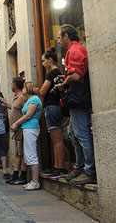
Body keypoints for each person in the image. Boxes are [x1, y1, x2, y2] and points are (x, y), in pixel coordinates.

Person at [56, 25, 96, 185]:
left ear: (66, 36)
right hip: (76, 98)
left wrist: (64, 83)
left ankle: (89, 170)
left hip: (78, 98)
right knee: (73, 134)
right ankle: (80, 167)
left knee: (81, 134)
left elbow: (77, 74)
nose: (59, 41)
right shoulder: (75, 50)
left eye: (59, 38)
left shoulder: (75, 50)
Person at [39, 48, 68, 179]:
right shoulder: (59, 72)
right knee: (56, 139)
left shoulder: (51, 74)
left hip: (52, 106)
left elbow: (42, 92)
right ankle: (57, 166)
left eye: (44, 61)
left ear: (50, 60)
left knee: (57, 139)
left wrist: (36, 90)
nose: (42, 64)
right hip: (55, 107)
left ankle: (60, 167)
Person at [10, 82, 42, 191]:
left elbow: (28, 116)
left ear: (28, 89)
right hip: (27, 128)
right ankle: (33, 181)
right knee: (28, 155)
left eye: (24, 87)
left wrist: (16, 123)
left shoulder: (34, 99)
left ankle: (35, 182)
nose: (22, 88)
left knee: (31, 154)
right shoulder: (30, 100)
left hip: (31, 128)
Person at [1, 77, 28, 185]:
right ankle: (16, 173)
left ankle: (23, 175)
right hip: (16, 129)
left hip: (21, 128)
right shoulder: (16, 97)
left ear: (15, 85)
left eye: (12, 83)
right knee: (17, 152)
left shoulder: (22, 97)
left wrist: (18, 123)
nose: (10, 85)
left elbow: (26, 112)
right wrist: (7, 105)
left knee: (22, 152)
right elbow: (15, 108)